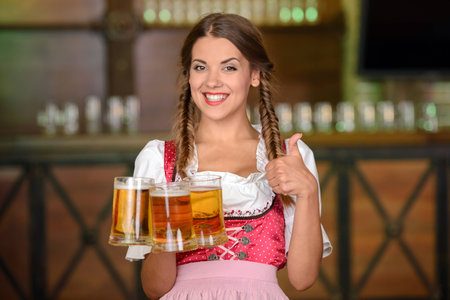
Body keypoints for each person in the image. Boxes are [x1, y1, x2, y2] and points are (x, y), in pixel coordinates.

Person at [126, 13, 332, 299]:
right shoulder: (158, 160)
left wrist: (307, 191)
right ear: (189, 76)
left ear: (255, 75)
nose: (212, 81)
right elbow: (154, 288)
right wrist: (168, 221)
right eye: (201, 67)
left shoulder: (291, 157)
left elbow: (302, 279)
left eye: (229, 68)